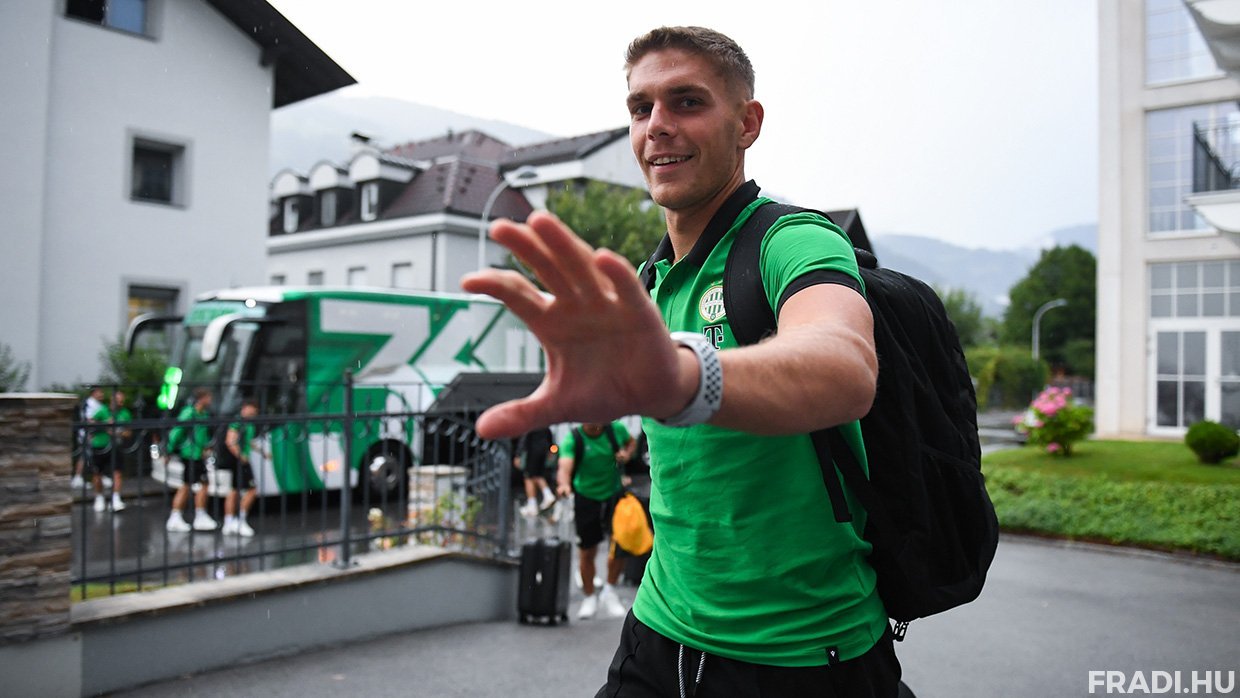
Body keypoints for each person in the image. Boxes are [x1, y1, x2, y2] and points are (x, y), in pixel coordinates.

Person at [461, 25, 900, 697]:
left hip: (806, 653)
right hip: (657, 631)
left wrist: (687, 378)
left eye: (687, 102)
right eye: (641, 108)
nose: (657, 125)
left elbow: (843, 365)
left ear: (747, 123)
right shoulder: (647, 284)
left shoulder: (793, 239)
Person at [557, 421, 636, 620]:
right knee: (587, 551)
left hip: (614, 494)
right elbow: (564, 467)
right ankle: (589, 596)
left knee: (620, 545)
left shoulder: (616, 430)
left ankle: (609, 590)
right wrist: (564, 485)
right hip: (586, 496)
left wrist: (627, 454)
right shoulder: (573, 439)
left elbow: (631, 442)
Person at [165, 388, 217, 532]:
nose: (211, 400)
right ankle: (177, 516)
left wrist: (206, 447)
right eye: (209, 397)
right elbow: (176, 432)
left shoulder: (204, 414)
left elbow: (204, 434)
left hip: (198, 454)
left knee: (199, 484)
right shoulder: (189, 413)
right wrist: (168, 450)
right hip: (190, 454)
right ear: (202, 398)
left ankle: (196, 515)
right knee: (188, 485)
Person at [220, 399, 262, 537]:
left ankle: (229, 522)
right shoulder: (238, 422)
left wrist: (262, 452)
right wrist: (241, 456)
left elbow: (248, 441)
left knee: (234, 490)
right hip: (239, 461)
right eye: (253, 409)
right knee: (252, 489)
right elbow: (230, 441)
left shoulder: (247, 423)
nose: (254, 413)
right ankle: (240, 520)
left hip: (238, 460)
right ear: (245, 408)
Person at [88, 389, 129, 513]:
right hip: (100, 445)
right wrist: (105, 425)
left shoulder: (125, 413)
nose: (120, 404)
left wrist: (119, 433)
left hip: (115, 446)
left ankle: (115, 499)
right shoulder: (102, 410)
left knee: (117, 472)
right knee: (97, 473)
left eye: (122, 401)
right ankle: (99, 497)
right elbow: (90, 422)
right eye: (118, 401)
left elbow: (129, 432)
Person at [515, 426, 557, 518]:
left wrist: (518, 454)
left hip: (532, 451)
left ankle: (539, 500)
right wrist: (551, 450)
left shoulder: (531, 424)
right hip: (543, 451)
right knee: (537, 475)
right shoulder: (544, 424)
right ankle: (537, 501)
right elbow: (550, 438)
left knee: (529, 476)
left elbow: (524, 439)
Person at [71, 386, 106, 491]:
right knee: (87, 455)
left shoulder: (97, 404)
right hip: (88, 434)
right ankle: (78, 477)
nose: (102, 394)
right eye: (100, 392)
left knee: (91, 456)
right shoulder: (89, 404)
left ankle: (96, 477)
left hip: (94, 434)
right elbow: (89, 420)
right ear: (94, 393)